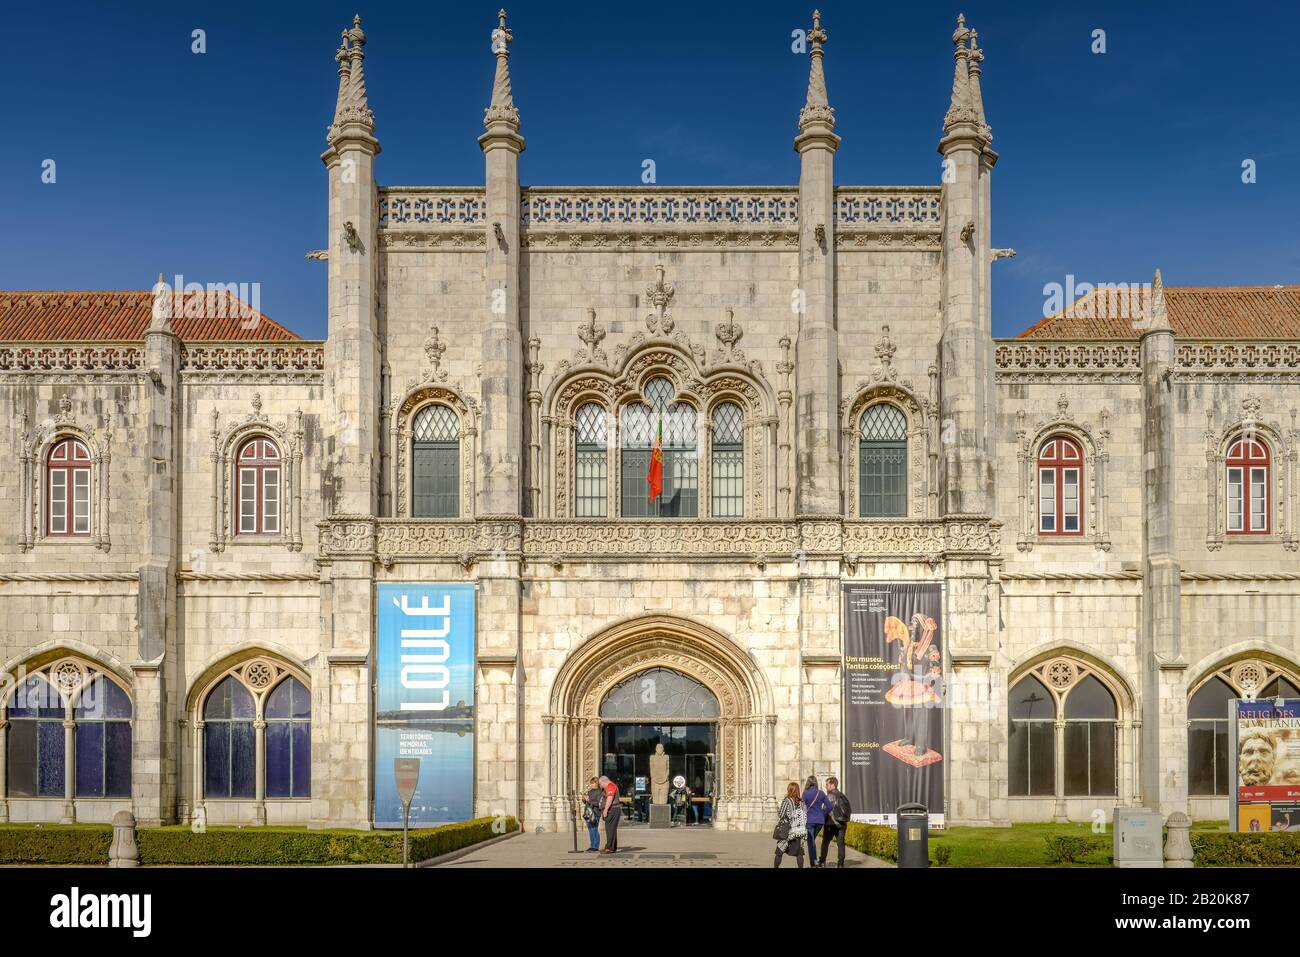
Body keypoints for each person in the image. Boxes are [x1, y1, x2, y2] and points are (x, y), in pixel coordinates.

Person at [773, 781, 808, 868]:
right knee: (799, 853)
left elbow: (781, 814)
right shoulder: (802, 802)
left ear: (789, 790)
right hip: (800, 831)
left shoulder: (787, 801)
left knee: (779, 851)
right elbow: (805, 815)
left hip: (789, 831)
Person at [819, 776, 852, 868]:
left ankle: (822, 861)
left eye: (827, 784)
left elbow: (824, 810)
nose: (826, 787)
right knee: (841, 844)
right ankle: (840, 864)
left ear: (832, 785)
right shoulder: (842, 795)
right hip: (841, 824)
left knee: (825, 843)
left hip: (830, 823)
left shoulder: (829, 796)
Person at [802, 775, 831, 867]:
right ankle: (815, 862)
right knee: (812, 841)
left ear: (808, 783)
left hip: (810, 821)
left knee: (811, 843)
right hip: (820, 822)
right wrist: (822, 814)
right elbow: (829, 806)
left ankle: (813, 864)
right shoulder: (821, 793)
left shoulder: (805, 793)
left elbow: (802, 808)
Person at [599, 774, 621, 853]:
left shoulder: (610, 786)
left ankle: (609, 848)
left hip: (612, 810)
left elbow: (610, 798)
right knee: (612, 829)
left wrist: (605, 809)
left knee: (610, 829)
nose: (600, 786)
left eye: (600, 784)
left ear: (604, 782)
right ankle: (612, 847)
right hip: (613, 809)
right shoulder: (611, 786)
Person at [583, 776, 603, 852]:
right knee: (590, 829)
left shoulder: (599, 792)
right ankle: (592, 845)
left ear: (596, 783)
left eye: (593, 783)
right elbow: (586, 802)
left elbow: (599, 803)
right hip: (588, 812)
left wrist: (589, 800)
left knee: (594, 829)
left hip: (595, 813)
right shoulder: (590, 791)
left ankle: (595, 846)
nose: (591, 784)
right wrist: (584, 799)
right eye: (591, 783)